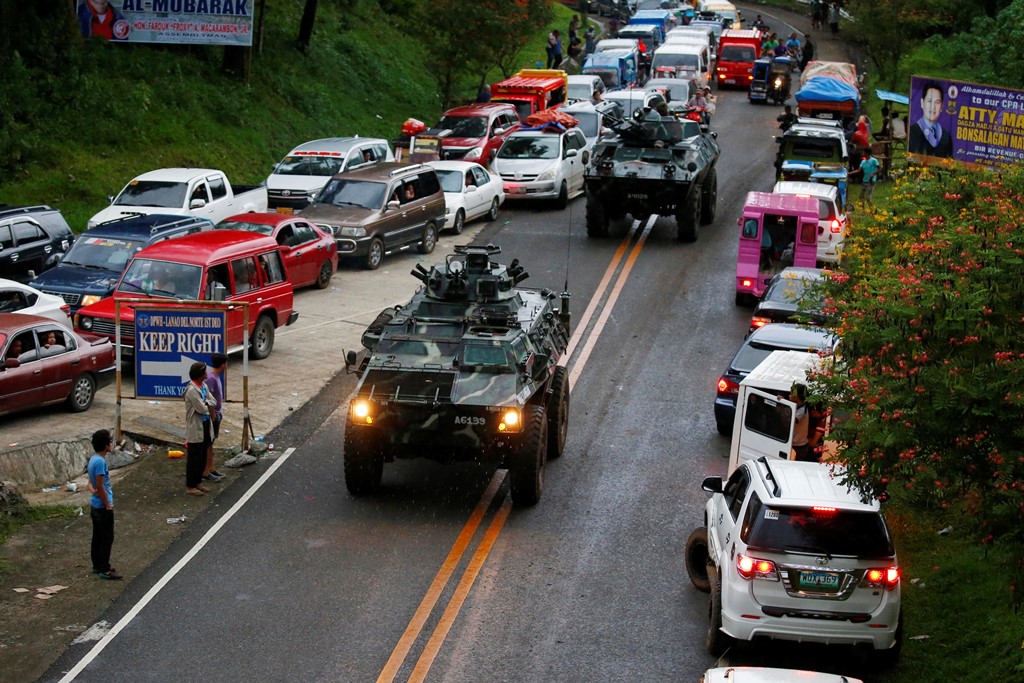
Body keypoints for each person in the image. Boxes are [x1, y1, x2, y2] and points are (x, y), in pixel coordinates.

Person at [88, 429, 121, 580]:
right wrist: (108, 505)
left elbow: (91, 483)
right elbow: (101, 486)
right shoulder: (101, 462)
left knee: (97, 537)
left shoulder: (93, 459)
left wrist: (93, 490)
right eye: (110, 441)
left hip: (95, 505)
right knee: (107, 538)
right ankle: (105, 569)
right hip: (102, 507)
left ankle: (96, 565)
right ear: (106, 445)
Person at [183, 362, 215, 496]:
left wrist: (205, 402)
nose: (207, 373)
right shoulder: (191, 391)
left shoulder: (204, 387)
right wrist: (206, 403)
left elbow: (213, 402)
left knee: (202, 456)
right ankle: (190, 486)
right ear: (200, 374)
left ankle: (198, 482)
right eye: (205, 372)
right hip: (196, 427)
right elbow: (201, 409)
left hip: (205, 425)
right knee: (194, 458)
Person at [909, 81, 953, 157]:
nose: (933, 107)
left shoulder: (946, 136)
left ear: (942, 106)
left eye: (937, 102)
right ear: (922, 103)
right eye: (929, 101)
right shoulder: (912, 131)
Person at [203, 353, 227, 483]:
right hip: (213, 415)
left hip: (217, 413)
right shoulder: (211, 378)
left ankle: (211, 468)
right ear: (223, 364)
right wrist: (212, 415)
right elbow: (209, 398)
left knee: (211, 443)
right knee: (208, 444)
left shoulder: (215, 377)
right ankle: (206, 471)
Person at [790, 383, 812, 461]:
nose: (789, 396)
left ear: (796, 396)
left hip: (799, 447)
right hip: (793, 444)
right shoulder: (795, 407)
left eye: (791, 394)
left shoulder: (803, 410)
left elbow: (792, 420)